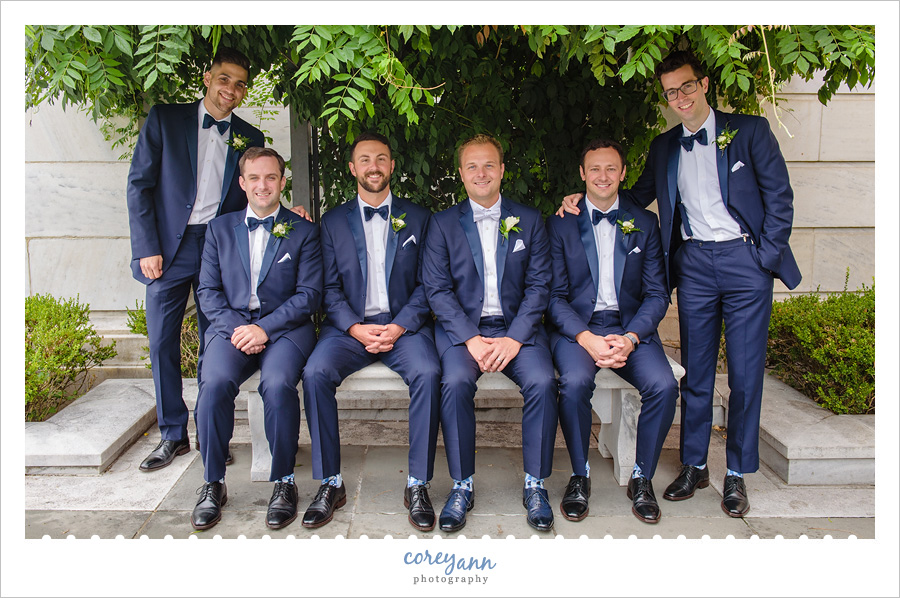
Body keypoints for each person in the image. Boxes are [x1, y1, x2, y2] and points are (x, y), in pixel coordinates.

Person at [559, 50, 801, 517]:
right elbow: (625, 196)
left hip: (743, 259)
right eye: (671, 91)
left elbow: (780, 198)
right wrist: (578, 197)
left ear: (704, 84)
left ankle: (736, 473)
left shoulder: (748, 131)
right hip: (692, 265)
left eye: (686, 87)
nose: (680, 97)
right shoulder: (665, 146)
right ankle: (694, 464)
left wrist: (762, 259)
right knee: (697, 370)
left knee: (746, 374)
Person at [126, 47, 264, 471]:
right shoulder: (165, 119)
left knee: (215, 342)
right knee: (162, 342)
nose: (231, 90)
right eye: (225, 79)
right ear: (207, 78)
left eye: (240, 84)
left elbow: (252, 197)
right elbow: (139, 186)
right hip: (167, 248)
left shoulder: (250, 137)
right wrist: (146, 246)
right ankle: (172, 434)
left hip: (218, 247)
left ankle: (211, 435)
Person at [299, 132, 441, 531]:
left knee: (429, 374)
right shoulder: (331, 223)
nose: (373, 166)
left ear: (392, 166)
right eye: (365, 159)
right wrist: (356, 329)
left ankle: (417, 482)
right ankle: (331, 481)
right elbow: (327, 288)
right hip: (349, 330)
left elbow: (428, 285)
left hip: (405, 328)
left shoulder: (420, 218)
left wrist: (398, 326)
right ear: (352, 168)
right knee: (314, 373)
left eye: (381, 158)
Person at [423, 134, 558, 532]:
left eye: (488, 165)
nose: (480, 173)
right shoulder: (442, 223)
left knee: (543, 381)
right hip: (463, 333)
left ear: (502, 170)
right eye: (471, 166)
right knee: (456, 382)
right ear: (461, 174)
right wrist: (470, 338)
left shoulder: (530, 220)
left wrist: (515, 338)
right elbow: (437, 289)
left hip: (519, 330)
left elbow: (539, 286)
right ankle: (462, 485)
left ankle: (535, 483)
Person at [547, 139, 678, 524]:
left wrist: (632, 337)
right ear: (582, 174)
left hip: (630, 329)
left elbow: (657, 293)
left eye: (611, 169)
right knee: (572, 384)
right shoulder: (560, 223)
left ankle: (642, 476)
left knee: (665, 385)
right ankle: (579, 474)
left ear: (623, 174)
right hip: (578, 331)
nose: (602, 177)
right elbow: (553, 297)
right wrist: (585, 338)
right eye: (595, 169)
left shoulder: (645, 223)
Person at [191, 147, 322, 530]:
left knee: (279, 384)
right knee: (214, 383)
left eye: (271, 178)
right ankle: (213, 482)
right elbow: (208, 291)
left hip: (286, 328)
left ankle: (284, 481)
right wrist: (238, 329)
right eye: (254, 178)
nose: (262, 185)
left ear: (283, 182)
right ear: (242, 183)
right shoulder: (219, 229)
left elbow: (309, 295)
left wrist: (265, 328)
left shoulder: (304, 231)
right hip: (230, 327)